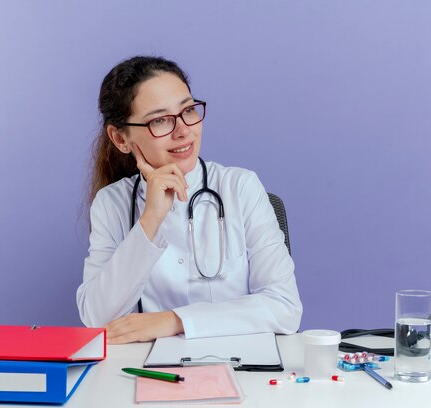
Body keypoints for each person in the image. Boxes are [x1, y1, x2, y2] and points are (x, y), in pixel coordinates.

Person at [77, 56, 302, 344]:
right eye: (159, 120)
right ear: (121, 139)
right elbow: (97, 318)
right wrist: (150, 220)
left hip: (242, 366)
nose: (183, 130)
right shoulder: (111, 203)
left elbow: (285, 308)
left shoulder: (240, 187)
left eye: (188, 111)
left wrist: (174, 320)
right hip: (148, 370)